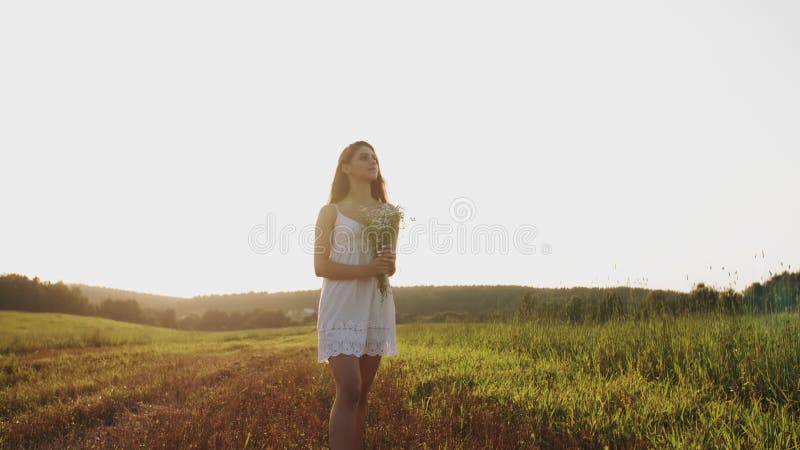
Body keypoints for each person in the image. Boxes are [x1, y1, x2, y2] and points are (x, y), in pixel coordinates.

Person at [314, 140, 399, 450]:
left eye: (374, 157)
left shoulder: (389, 213)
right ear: (346, 167)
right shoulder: (330, 212)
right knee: (348, 388)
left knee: (363, 392)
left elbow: (389, 267)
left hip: (374, 305)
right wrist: (367, 269)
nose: (372, 161)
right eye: (363, 157)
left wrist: (387, 266)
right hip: (341, 305)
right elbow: (320, 265)